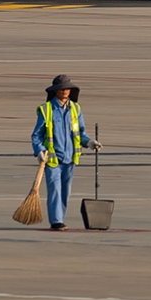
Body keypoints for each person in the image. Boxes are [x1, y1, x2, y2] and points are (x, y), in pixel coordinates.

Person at [31, 74, 99, 231]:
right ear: (55, 91)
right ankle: (56, 220)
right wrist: (40, 150)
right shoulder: (46, 110)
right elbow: (36, 135)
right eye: (62, 89)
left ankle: (60, 217)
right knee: (54, 189)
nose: (65, 91)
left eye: (67, 88)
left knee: (65, 191)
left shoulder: (75, 109)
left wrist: (89, 142)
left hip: (70, 158)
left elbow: (80, 132)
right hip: (53, 159)